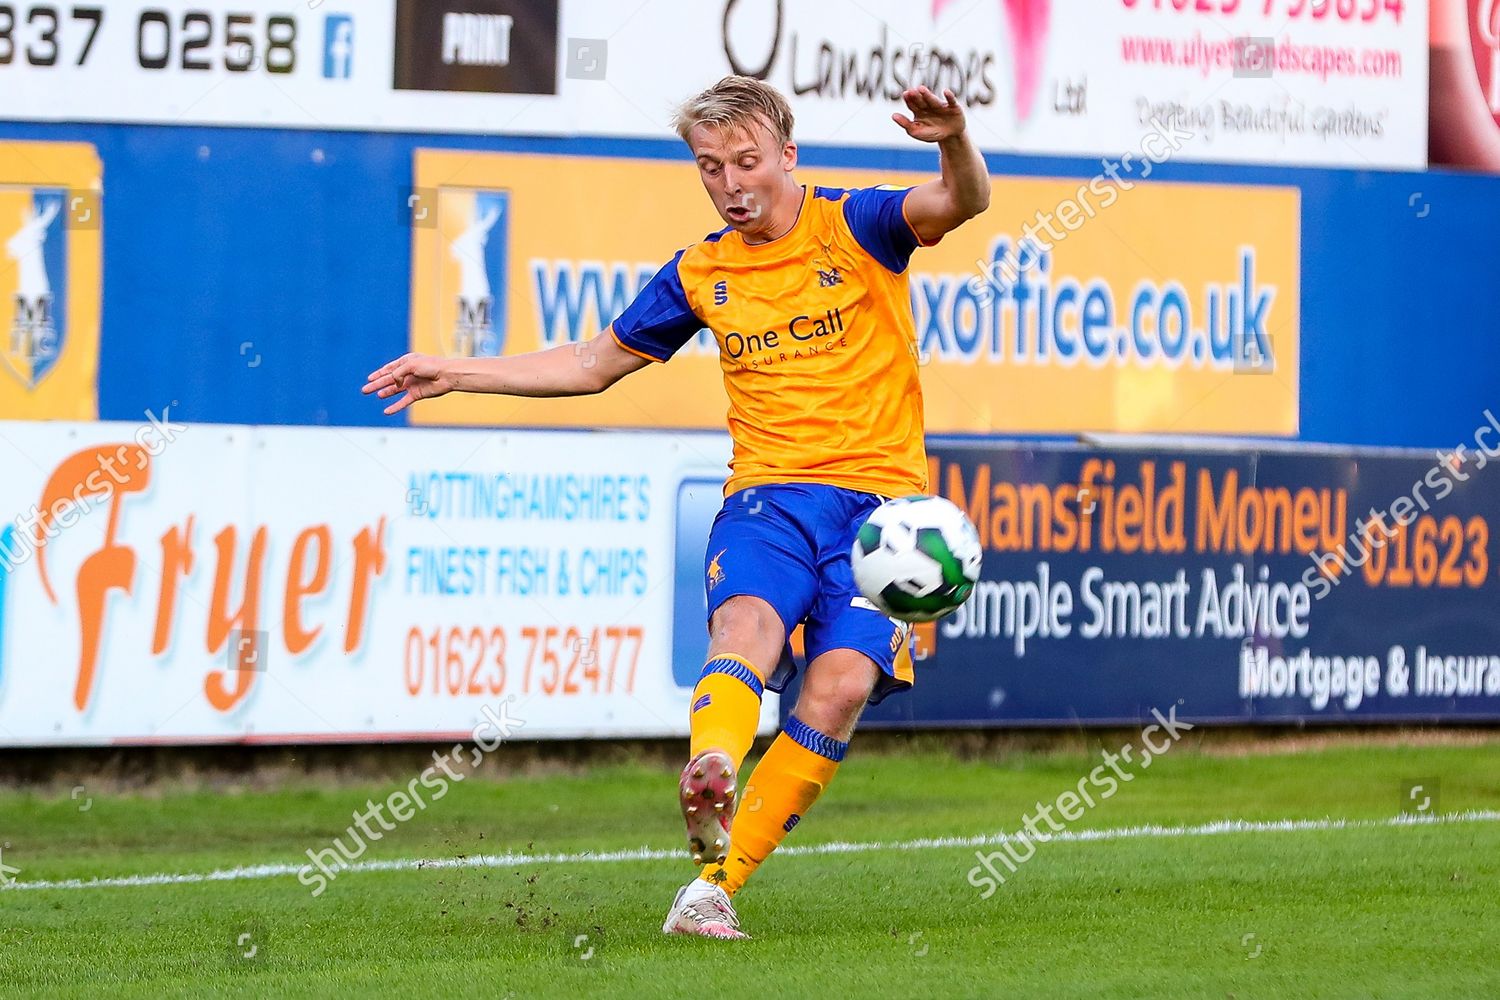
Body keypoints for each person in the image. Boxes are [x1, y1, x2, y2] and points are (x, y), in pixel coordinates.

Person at [362, 75, 990, 939]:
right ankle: (716, 762)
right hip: (768, 500)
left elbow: (962, 198)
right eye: (709, 167)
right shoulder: (702, 270)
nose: (732, 185)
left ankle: (711, 889)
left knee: (840, 688)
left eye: (746, 162)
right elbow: (592, 364)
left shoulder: (857, 224)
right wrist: (459, 371)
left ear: (786, 156)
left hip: (881, 516)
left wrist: (953, 138)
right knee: (746, 633)